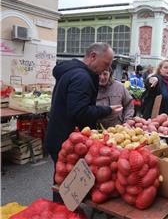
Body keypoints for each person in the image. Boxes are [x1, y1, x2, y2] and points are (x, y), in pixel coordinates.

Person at [44, 43, 123, 202]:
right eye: (106, 64)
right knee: (65, 182)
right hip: (66, 140)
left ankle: (65, 210)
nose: (106, 69)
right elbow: (80, 112)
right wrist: (107, 110)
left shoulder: (71, 72)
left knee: (65, 181)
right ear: (93, 56)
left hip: (61, 136)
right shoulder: (82, 77)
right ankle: (62, 212)